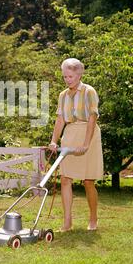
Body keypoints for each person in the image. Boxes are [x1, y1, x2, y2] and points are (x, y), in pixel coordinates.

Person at [49, 58, 103, 232]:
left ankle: (93, 218)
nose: (67, 80)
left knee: (88, 181)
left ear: (79, 75)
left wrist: (86, 144)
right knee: (65, 179)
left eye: (70, 76)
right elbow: (60, 119)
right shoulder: (63, 95)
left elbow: (92, 118)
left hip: (89, 133)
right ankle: (67, 222)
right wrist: (54, 140)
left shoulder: (89, 92)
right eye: (65, 76)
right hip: (70, 134)